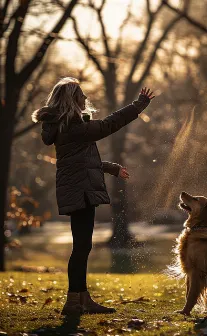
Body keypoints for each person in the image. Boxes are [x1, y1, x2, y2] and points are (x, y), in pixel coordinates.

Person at [32, 77, 155, 315]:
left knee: (82, 246)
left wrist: (111, 168)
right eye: (81, 94)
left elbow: (80, 160)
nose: (86, 98)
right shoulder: (72, 126)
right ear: (72, 99)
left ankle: (80, 299)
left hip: (77, 186)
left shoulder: (66, 126)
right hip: (80, 189)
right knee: (81, 247)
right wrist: (137, 106)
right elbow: (109, 125)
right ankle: (74, 301)